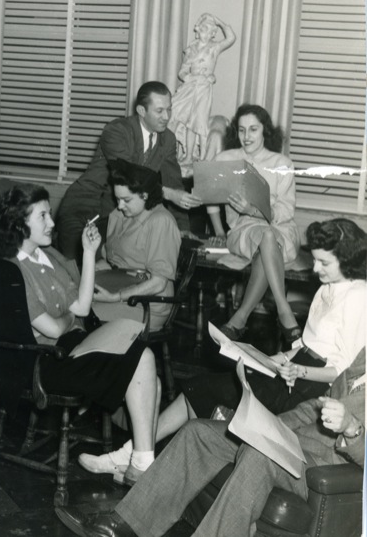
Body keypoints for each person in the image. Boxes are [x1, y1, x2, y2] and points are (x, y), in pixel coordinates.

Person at [79, 217, 366, 477]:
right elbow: (306, 344)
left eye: (323, 263)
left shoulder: (358, 297)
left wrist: (297, 370)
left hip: (311, 391)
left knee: (208, 394)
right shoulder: (327, 288)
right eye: (315, 261)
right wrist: (268, 358)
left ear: (347, 259)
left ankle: (139, 461)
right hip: (294, 371)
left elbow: (343, 374)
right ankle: (137, 456)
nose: (315, 269)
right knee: (201, 388)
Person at [56, 348, 365, 537]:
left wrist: (352, 429)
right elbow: (314, 407)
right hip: (294, 444)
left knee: (260, 453)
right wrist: (270, 425)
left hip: (323, 467)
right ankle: (126, 525)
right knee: (198, 432)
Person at [0, 184, 162, 486]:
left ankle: (135, 459)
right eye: (43, 216)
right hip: (46, 362)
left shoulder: (47, 255)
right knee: (143, 357)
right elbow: (53, 328)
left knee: (150, 376)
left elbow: (81, 304)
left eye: (50, 214)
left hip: (73, 348)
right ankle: (141, 467)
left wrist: (89, 253)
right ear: (19, 223)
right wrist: (72, 316)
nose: (52, 223)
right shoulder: (10, 271)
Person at [56, 81, 201, 259]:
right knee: (76, 273)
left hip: (116, 214)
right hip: (84, 207)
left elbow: (174, 182)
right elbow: (129, 175)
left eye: (169, 109)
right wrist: (170, 194)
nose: (166, 116)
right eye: (159, 110)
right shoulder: (117, 130)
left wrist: (182, 228)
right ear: (141, 111)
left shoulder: (168, 140)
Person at [210, 104, 302, 342]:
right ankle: (284, 310)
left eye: (253, 129)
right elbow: (208, 196)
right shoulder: (225, 159)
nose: (246, 136)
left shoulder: (282, 163)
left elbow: (286, 209)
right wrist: (219, 230)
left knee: (269, 239)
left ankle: (239, 319)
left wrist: (255, 209)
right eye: (241, 130)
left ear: (265, 131)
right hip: (244, 230)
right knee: (265, 238)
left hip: (281, 229)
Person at [90, 159, 181, 330]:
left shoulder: (161, 221)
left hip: (146, 305)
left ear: (145, 195)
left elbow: (158, 283)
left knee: (81, 317)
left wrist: (115, 297)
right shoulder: (119, 215)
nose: (119, 205)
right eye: (117, 199)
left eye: (126, 200)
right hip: (121, 289)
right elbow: (113, 262)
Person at [168, 13, 236, 176]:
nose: (201, 32)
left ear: (212, 33)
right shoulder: (191, 48)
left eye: (206, 29)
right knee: (186, 120)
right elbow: (183, 70)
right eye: (201, 29)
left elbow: (231, 38)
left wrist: (217, 20)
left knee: (200, 121)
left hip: (204, 87)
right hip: (189, 87)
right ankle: (188, 156)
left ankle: (205, 158)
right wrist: (187, 76)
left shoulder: (214, 47)